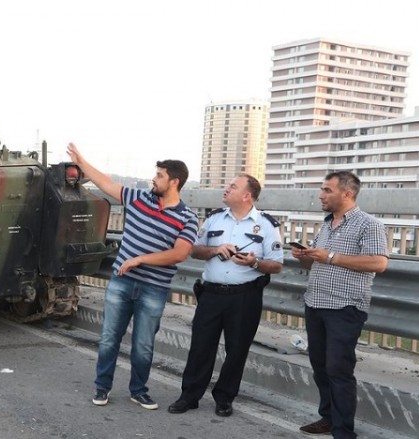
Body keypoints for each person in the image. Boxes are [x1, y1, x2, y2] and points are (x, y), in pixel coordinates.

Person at [66, 143, 198, 410]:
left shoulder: (187, 217)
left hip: (154, 288)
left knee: (143, 345)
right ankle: (102, 388)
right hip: (122, 283)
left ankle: (139, 391)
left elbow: (179, 254)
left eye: (160, 175)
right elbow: (105, 183)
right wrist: (82, 161)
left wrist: (140, 259)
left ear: (175, 181)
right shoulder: (138, 198)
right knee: (109, 338)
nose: (154, 178)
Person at [168, 174, 283, 417]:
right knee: (200, 347)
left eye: (232, 186)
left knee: (237, 349)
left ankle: (224, 397)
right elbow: (195, 250)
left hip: (245, 297)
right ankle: (189, 395)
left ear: (246, 195)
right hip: (211, 294)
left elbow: (276, 265)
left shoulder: (266, 225)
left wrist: (254, 263)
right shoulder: (214, 219)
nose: (226, 188)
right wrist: (214, 250)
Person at [292, 171, 388, 438]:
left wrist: (330, 256)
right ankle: (329, 419)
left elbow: (379, 263)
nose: (321, 195)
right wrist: (304, 257)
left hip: (345, 308)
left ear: (347, 193)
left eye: (327, 190)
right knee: (320, 367)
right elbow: (318, 261)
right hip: (316, 303)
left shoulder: (369, 224)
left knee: (339, 370)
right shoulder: (326, 224)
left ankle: (344, 431)